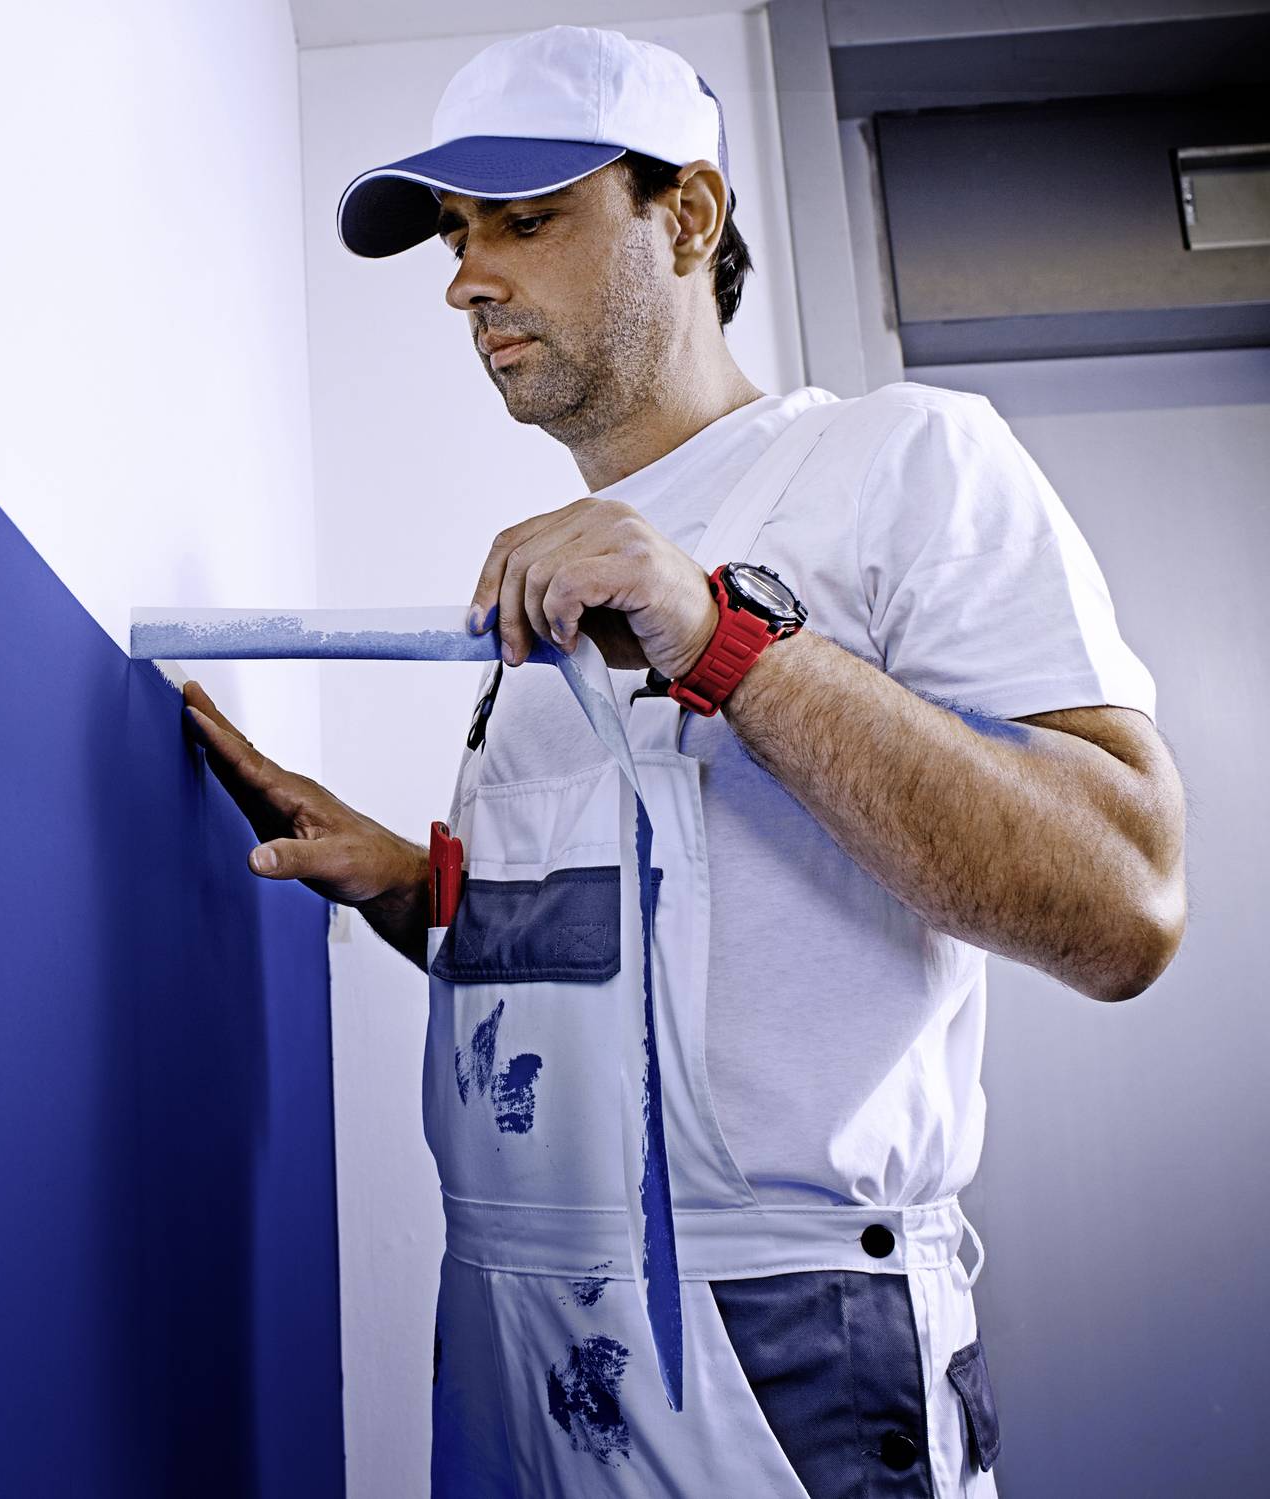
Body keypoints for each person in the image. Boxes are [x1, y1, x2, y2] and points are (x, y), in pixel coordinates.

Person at [181, 25, 1186, 1498]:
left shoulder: (899, 464)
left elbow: (1124, 902)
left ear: (690, 216)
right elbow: (663, 952)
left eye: (526, 220)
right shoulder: (541, 576)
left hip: (772, 1338)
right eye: (457, 237)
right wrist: (414, 891)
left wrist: (724, 640)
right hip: (508, 1326)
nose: (467, 277)